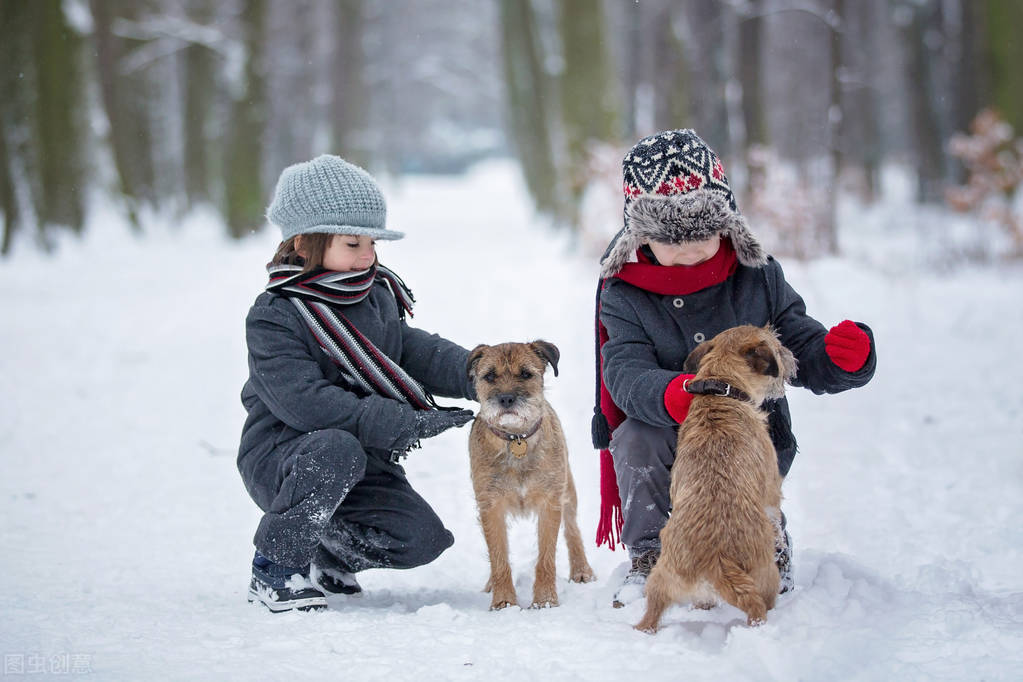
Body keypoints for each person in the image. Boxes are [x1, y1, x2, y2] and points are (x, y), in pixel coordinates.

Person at [591, 129, 877, 607]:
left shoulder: (756, 273)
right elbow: (623, 370)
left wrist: (838, 357)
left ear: (724, 221)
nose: (689, 250)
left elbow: (795, 341)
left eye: (703, 234)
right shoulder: (624, 293)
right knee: (638, 436)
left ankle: (766, 548)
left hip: (747, 432)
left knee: (746, 466)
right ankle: (651, 557)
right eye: (669, 240)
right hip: (671, 429)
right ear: (642, 235)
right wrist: (674, 393)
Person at [238, 155, 476, 612]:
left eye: (372, 241)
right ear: (305, 242)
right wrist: (399, 422)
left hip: (360, 460)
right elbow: (305, 403)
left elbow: (409, 350)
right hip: (286, 457)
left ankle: (327, 556)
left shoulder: (375, 294)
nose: (367, 255)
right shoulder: (275, 314)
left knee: (422, 539)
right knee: (335, 448)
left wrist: (477, 371)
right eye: (353, 243)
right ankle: (275, 569)